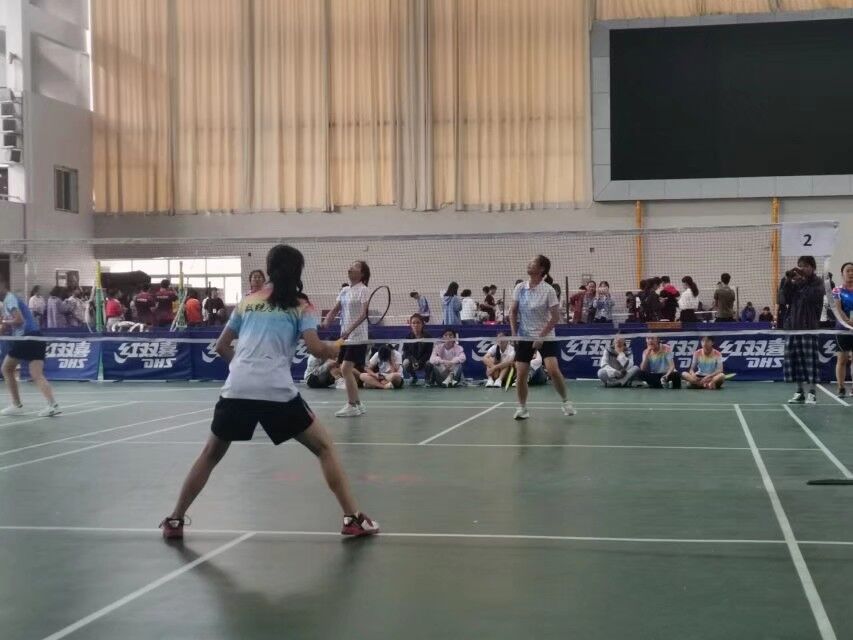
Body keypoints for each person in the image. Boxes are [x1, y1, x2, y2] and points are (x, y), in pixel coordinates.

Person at [159, 245, 378, 540]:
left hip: (237, 388)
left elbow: (221, 346)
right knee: (324, 448)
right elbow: (315, 348)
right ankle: (353, 518)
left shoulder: (248, 301)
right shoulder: (301, 305)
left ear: (270, 269)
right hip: (277, 391)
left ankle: (174, 520)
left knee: (210, 455)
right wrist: (331, 349)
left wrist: (244, 370)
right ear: (297, 271)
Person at [509, 254, 575, 420]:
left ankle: (566, 401)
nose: (529, 264)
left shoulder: (548, 290)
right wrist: (514, 334)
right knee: (521, 374)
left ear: (541, 269)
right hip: (525, 336)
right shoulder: (520, 288)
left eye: (533, 262)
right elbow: (513, 312)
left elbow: (555, 317)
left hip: (546, 335)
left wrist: (541, 337)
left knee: (552, 370)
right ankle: (522, 408)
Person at [0, 277, 60, 417]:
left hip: (26, 337)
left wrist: (5, 322)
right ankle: (53, 405)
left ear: (2, 285)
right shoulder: (7, 302)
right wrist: (3, 325)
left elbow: (19, 320)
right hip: (36, 337)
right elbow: (7, 325)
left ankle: (17, 405)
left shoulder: (10, 299)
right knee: (36, 374)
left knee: (7, 369)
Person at [323, 261, 371, 417]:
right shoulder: (344, 290)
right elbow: (336, 309)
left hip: (358, 337)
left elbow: (364, 314)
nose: (350, 268)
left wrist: (350, 330)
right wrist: (328, 319)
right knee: (344, 368)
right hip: (346, 337)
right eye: (350, 265)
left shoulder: (363, 290)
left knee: (345, 369)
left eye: (355, 267)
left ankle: (352, 405)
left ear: (362, 274)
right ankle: (358, 404)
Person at [781, 256, 825, 404]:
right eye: (800, 265)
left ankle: (812, 393)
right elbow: (783, 299)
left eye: (806, 266)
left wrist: (802, 281)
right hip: (793, 327)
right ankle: (799, 392)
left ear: (813, 267)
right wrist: (788, 281)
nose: (802, 268)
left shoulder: (818, 282)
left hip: (809, 328)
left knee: (810, 361)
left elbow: (812, 297)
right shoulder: (795, 282)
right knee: (795, 361)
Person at [830, 261, 853, 397]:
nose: (851, 273)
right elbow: (838, 309)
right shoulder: (837, 290)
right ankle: (841, 387)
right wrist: (848, 321)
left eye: (852, 271)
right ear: (842, 274)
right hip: (842, 329)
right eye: (848, 271)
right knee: (842, 359)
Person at [401, 313, 431, 385]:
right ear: (410, 325)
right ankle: (414, 377)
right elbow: (406, 351)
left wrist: (420, 361)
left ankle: (427, 378)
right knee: (405, 363)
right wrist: (413, 360)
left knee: (430, 363)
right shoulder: (408, 337)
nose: (416, 325)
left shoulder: (428, 336)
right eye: (413, 323)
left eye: (418, 323)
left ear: (422, 324)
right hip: (413, 361)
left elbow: (429, 352)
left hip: (424, 361)